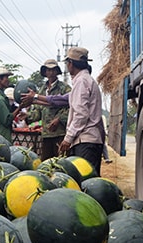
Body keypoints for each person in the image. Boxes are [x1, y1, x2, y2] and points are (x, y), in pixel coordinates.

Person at [58, 47, 105, 175]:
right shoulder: (87, 80)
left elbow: (81, 114)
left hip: (85, 140)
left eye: (67, 63)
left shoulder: (81, 82)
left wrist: (68, 138)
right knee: (90, 180)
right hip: (89, 140)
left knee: (85, 181)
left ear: (71, 63)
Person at [24, 59, 72, 160]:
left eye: (53, 70)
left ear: (56, 72)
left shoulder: (64, 88)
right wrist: (27, 116)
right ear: (45, 72)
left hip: (60, 133)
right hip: (46, 134)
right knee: (46, 162)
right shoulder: (41, 90)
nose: (50, 72)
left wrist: (59, 119)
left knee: (61, 161)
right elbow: (38, 110)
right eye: (48, 70)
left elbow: (72, 107)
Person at [0, 67, 26, 142]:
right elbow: (7, 120)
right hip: (1, 137)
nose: (8, 80)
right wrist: (20, 107)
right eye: (6, 77)